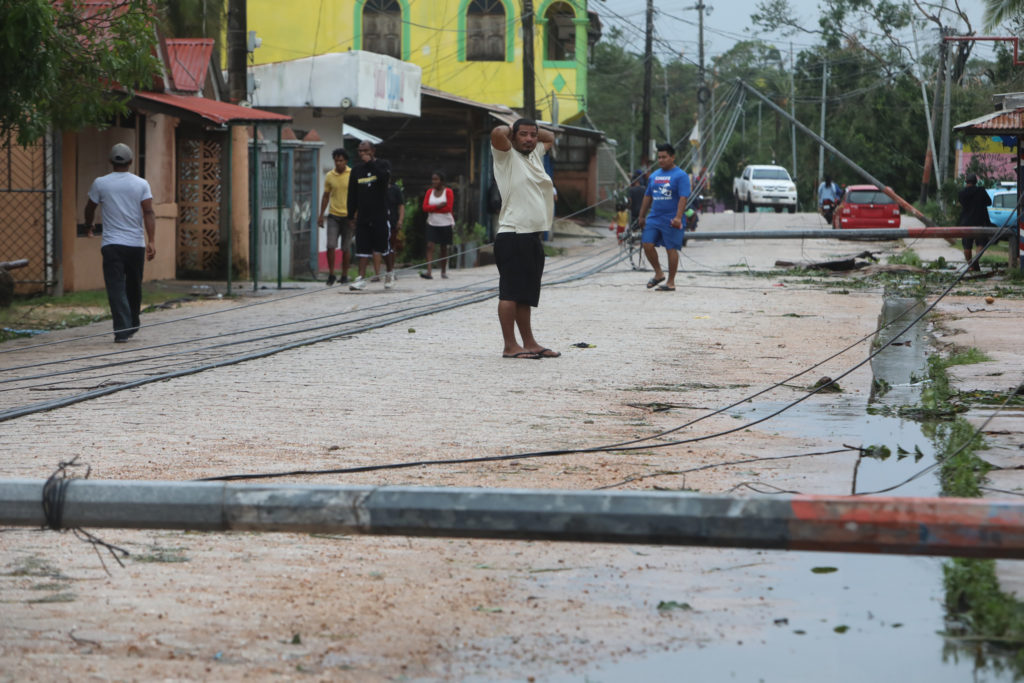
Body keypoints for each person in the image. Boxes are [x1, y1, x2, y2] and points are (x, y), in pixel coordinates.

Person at [490, 118, 561, 359]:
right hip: (513, 234)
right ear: (514, 136)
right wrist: (512, 129)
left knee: (526, 294)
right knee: (510, 293)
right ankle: (510, 345)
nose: (530, 139)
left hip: (531, 236)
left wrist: (532, 130)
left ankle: (529, 342)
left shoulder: (535, 156)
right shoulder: (506, 156)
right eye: (524, 135)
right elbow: (496, 133)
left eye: (533, 135)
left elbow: (549, 137)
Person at [83, 143, 156, 343]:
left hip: (112, 244)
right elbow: (148, 212)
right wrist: (152, 241)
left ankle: (124, 327)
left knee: (115, 286)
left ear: (110, 162)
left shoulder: (100, 183)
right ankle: (130, 323)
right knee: (134, 285)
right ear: (131, 161)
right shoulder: (141, 184)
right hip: (136, 245)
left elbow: (90, 207)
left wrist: (88, 225)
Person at [637, 143, 690, 291]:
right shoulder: (654, 176)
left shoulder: (681, 175)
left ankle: (671, 282)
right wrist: (641, 216)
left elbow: (683, 197)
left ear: (672, 157)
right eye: (659, 157)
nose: (661, 160)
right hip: (654, 217)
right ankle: (659, 273)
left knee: (671, 248)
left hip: (672, 218)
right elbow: (648, 196)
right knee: (647, 243)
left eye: (664, 157)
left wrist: (678, 217)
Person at [347, 140, 394, 290]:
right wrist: (350, 215)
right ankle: (361, 277)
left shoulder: (383, 165)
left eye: (366, 151)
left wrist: (371, 164)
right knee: (363, 247)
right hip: (363, 215)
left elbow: (384, 179)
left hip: (380, 214)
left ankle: (389, 272)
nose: (363, 154)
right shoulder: (356, 170)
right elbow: (352, 194)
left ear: (373, 151)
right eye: (360, 151)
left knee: (383, 247)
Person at [316, 148, 352, 285]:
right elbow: (326, 196)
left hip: (348, 216)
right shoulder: (330, 176)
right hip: (333, 215)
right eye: (336, 161)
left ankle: (344, 274)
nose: (338, 163)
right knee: (331, 245)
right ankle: (331, 274)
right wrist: (320, 215)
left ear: (346, 161)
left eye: (341, 161)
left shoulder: (352, 174)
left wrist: (355, 214)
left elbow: (356, 195)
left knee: (346, 248)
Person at [420, 171, 454, 279]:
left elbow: (448, 208)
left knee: (443, 248)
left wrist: (433, 208)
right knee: (430, 246)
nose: (434, 182)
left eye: (436, 179)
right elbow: (424, 207)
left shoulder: (448, 192)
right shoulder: (429, 192)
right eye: (433, 179)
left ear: (442, 181)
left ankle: (443, 271)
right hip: (432, 222)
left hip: (445, 223)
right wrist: (438, 206)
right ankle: (429, 271)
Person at [958, 173, 993, 272]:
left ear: (966, 182)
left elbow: (962, 203)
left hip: (966, 223)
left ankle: (971, 265)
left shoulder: (962, 193)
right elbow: (989, 202)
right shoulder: (981, 191)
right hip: (980, 222)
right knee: (981, 243)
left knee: (966, 245)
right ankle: (975, 262)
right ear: (976, 182)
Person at [386, 176, 405, 279]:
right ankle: (378, 273)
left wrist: (400, 220)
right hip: (380, 221)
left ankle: (391, 269)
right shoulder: (376, 188)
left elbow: (401, 205)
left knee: (392, 246)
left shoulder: (395, 190)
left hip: (393, 221)